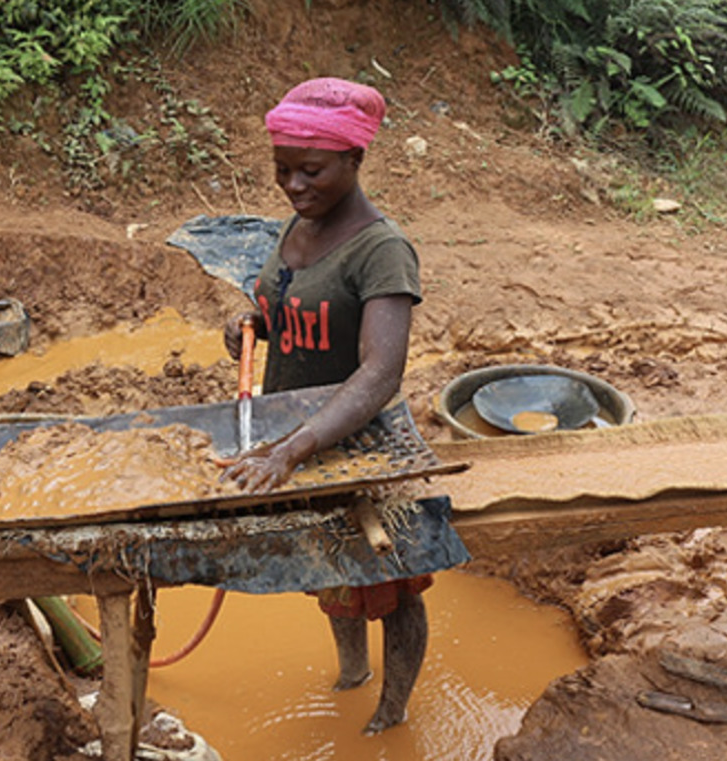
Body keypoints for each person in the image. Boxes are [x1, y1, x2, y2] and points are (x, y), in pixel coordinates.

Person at [221, 77, 429, 736]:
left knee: (391, 582)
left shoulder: (381, 249)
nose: (292, 184)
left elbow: (380, 371)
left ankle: (393, 711)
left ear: (354, 159)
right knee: (332, 568)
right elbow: (295, 304)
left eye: (310, 170)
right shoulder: (299, 224)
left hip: (356, 447)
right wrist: (254, 323)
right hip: (297, 442)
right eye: (281, 168)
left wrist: (292, 449)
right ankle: (351, 673)